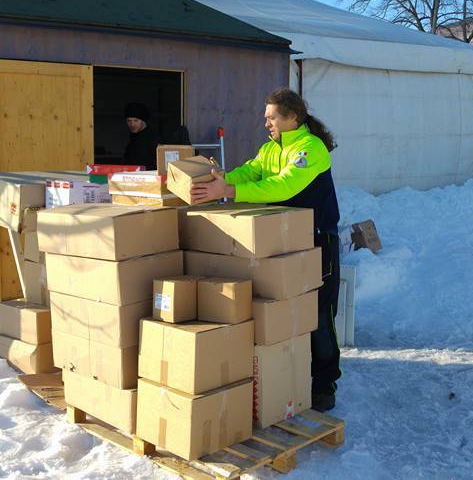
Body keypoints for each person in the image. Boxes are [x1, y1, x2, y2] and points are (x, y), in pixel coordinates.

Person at [190, 88, 342, 412]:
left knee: (318, 313)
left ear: (292, 117)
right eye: (266, 118)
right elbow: (252, 171)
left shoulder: (310, 149)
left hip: (317, 241)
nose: (267, 124)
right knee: (283, 311)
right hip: (283, 240)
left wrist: (230, 190)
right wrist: (225, 178)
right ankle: (291, 376)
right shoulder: (271, 149)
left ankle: (325, 383)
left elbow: (284, 186)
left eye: (272, 117)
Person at [122, 102, 158, 170]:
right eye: (129, 121)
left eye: (136, 121)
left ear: (143, 121)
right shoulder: (133, 138)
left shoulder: (153, 138)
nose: (132, 124)